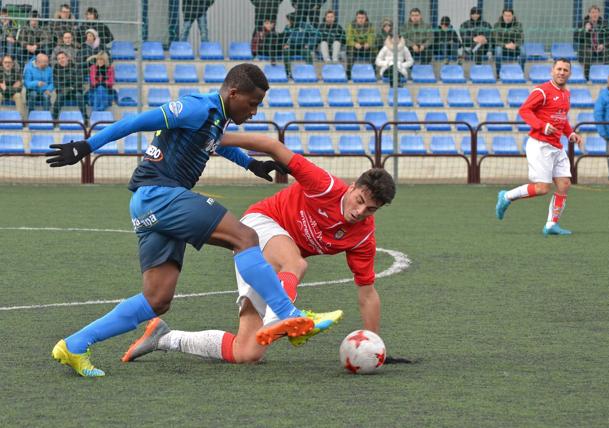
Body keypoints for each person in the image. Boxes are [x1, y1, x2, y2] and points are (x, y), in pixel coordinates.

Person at [45, 63, 342, 377]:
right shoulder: (196, 108)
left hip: (151, 204)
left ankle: (75, 344)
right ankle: (286, 313)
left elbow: (213, 144)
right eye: (252, 103)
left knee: (157, 299)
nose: (254, 111)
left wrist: (251, 165)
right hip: (159, 194)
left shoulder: (215, 119)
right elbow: (135, 121)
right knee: (245, 237)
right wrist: (86, 146)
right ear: (233, 92)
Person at [121, 145, 395, 365]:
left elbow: (367, 292)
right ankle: (282, 316)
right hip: (256, 227)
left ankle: (164, 338)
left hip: (268, 265)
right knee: (295, 262)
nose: (360, 211)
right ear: (352, 188)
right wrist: (219, 138)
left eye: (370, 209)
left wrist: (373, 343)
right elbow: (271, 145)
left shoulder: (362, 236)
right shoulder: (324, 185)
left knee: (247, 353)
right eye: (360, 201)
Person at [496, 58, 582, 236]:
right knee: (543, 188)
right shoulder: (542, 90)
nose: (561, 72)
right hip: (540, 144)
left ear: (569, 73)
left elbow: (562, 118)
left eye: (565, 70)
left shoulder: (566, 94)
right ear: (552, 71)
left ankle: (551, 225)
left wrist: (570, 133)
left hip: (556, 146)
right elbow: (524, 110)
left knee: (564, 184)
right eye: (558, 69)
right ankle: (506, 196)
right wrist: (542, 126)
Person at [575, 5, 609, 81]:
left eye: (596, 12)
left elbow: (608, 39)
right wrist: (585, 30)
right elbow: (576, 38)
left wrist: (603, 45)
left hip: (600, 48)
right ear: (589, 14)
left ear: (599, 14)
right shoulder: (582, 23)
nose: (594, 14)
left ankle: (606, 75)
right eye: (592, 12)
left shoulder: (604, 24)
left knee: (607, 52)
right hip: (587, 48)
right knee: (588, 52)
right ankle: (587, 77)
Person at [52, 51, 86, 122]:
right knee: (59, 97)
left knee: (79, 96)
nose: (61, 60)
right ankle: (54, 119)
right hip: (63, 91)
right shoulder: (56, 68)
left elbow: (79, 80)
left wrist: (71, 88)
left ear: (67, 58)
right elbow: (56, 82)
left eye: (63, 58)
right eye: (59, 59)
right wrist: (63, 89)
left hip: (75, 90)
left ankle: (85, 118)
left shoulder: (75, 66)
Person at [282, 12, 319, 78]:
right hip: (291, 48)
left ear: (293, 20)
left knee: (307, 53)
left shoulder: (304, 26)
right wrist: (285, 44)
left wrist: (309, 44)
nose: (288, 22)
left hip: (302, 47)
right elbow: (283, 38)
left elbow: (317, 34)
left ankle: (310, 72)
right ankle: (288, 73)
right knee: (286, 52)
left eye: (289, 20)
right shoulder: (287, 27)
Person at [492, 8, 524, 79]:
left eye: (509, 15)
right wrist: (505, 45)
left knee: (523, 52)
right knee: (498, 51)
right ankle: (498, 73)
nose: (507, 17)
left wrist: (515, 45)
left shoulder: (518, 25)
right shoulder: (497, 25)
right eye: (505, 15)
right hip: (502, 47)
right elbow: (496, 40)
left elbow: (521, 38)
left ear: (512, 16)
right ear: (502, 16)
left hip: (514, 47)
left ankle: (521, 72)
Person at [345, 9, 375, 80]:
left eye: (362, 18)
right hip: (355, 47)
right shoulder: (351, 25)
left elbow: (372, 36)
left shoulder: (370, 26)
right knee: (351, 52)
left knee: (373, 52)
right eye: (359, 18)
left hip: (366, 47)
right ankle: (349, 73)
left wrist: (369, 43)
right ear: (356, 18)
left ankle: (373, 72)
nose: (360, 20)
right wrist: (354, 43)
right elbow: (348, 38)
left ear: (366, 18)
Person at [0, 55, 26, 119]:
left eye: (9, 62)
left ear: (12, 63)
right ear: (2, 63)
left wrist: (5, 88)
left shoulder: (17, 72)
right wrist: (12, 88)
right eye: (5, 62)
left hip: (13, 94)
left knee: (18, 95)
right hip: (2, 94)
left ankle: (20, 119)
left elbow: (19, 89)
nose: (7, 64)